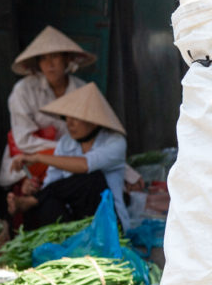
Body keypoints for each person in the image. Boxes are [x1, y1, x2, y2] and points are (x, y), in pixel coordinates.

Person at [7, 82, 129, 230]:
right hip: (78, 219)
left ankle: (32, 201)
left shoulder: (115, 141)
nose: (69, 124)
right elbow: (52, 184)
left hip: (109, 223)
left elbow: (85, 165)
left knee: (92, 178)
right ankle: (36, 208)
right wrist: (34, 189)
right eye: (67, 117)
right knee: (47, 202)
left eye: (76, 118)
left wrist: (38, 157)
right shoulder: (66, 143)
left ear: (94, 121)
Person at [0, 26, 96, 195]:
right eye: (43, 59)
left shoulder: (83, 90)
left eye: (55, 57)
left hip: (77, 163)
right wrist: (64, 150)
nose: (49, 64)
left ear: (67, 59)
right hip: (30, 163)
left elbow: (99, 135)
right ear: (37, 64)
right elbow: (24, 141)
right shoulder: (23, 90)